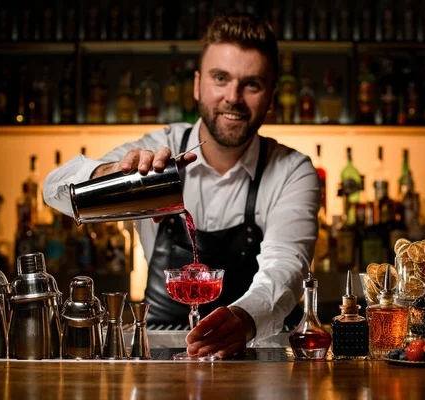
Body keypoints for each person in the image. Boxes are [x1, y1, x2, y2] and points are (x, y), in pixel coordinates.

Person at [43, 12, 320, 359]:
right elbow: (53, 188)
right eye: (220, 78)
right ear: (196, 84)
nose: (233, 97)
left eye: (252, 84)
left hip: (257, 354)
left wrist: (244, 319)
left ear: (272, 96)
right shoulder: (159, 147)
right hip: (159, 350)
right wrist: (113, 175)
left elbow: (286, 267)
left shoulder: (292, 171)